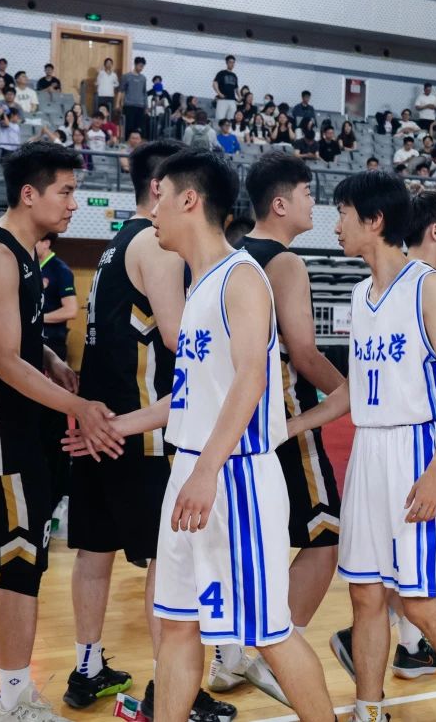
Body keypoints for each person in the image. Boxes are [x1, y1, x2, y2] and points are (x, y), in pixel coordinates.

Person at [81, 149, 337, 722]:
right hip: (193, 472)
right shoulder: (197, 286)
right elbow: (189, 396)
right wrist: (116, 425)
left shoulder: (241, 277)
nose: (153, 211)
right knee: (177, 626)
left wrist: (205, 470)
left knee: (269, 633)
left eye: (161, 199)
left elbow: (250, 379)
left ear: (190, 200)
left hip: (233, 478)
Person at [284, 170, 436, 721]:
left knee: (418, 602)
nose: (336, 225)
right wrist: (289, 427)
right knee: (363, 595)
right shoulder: (360, 295)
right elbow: (354, 390)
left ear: (375, 219)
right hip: (369, 454)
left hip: (416, 452)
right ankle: (369, 708)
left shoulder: (429, 287)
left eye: (343, 214)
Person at [64, 139, 219, 717]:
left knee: (94, 551)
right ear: (162, 188)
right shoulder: (157, 245)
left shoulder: (112, 246)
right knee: (166, 562)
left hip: (100, 427)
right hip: (141, 431)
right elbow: (181, 340)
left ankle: (87, 667)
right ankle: (169, 689)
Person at [0, 141, 116, 722]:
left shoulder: (28, 254)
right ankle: (11, 698)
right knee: (19, 561)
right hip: (0, 432)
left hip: (27, 425)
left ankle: (6, 688)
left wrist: (54, 362)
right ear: (29, 194)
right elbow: (4, 360)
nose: (74, 203)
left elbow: (21, 341)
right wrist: (80, 407)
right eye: (66, 191)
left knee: (28, 559)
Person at [205, 154, 346, 701]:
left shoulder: (231, 257)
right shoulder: (284, 263)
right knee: (326, 536)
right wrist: (350, 392)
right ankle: (276, 653)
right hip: (282, 420)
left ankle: (228, 656)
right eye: (308, 193)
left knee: (244, 543)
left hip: (233, 424)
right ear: (281, 204)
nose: (316, 203)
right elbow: (305, 353)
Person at [35, 236, 76, 363]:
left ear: (46, 243)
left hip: (52, 342)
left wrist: (38, 318)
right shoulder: (32, 266)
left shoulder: (61, 270)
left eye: (35, 240)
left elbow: (71, 311)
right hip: (34, 338)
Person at [119, 56, 148, 139]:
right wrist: (119, 104)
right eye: (140, 66)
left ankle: (138, 144)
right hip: (129, 105)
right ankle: (127, 143)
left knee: (139, 128)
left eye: (143, 66)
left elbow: (144, 93)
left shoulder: (143, 78)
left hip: (140, 106)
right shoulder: (126, 76)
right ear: (135, 64)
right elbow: (122, 91)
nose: (141, 68)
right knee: (128, 127)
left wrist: (146, 106)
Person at [212, 55, 238, 124]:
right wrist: (219, 94)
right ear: (226, 63)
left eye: (233, 62)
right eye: (230, 62)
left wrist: (239, 96)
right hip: (223, 99)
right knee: (220, 119)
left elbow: (236, 88)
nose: (232, 64)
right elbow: (214, 83)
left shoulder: (234, 75)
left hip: (232, 100)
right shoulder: (221, 73)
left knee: (232, 119)